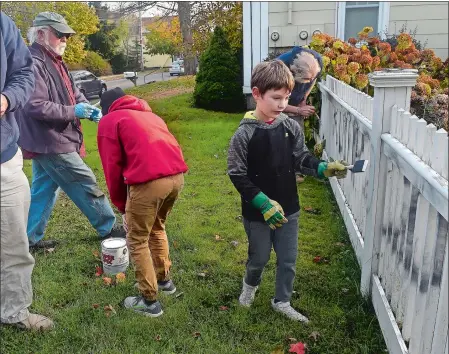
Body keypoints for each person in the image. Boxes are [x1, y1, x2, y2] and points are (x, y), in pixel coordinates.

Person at [227, 60, 348, 322]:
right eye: (276, 98)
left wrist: (323, 168)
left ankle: (282, 300)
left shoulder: (291, 126)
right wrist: (263, 203)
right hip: (258, 210)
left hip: (288, 207)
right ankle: (250, 287)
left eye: (286, 98)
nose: (283, 104)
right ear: (257, 94)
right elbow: (236, 174)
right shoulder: (244, 134)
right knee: (258, 258)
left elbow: (300, 159)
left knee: (288, 259)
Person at [15, 12, 125, 250]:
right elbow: (35, 106)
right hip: (49, 139)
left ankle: (28, 239)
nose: (65, 39)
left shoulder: (55, 60)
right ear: (42, 34)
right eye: (60, 34)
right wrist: (74, 111)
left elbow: (74, 92)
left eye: (67, 35)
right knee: (83, 180)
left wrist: (86, 107)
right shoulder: (33, 62)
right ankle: (108, 227)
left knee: (45, 189)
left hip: (51, 138)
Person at [97, 88, 188, 317]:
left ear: (106, 107)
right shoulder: (149, 114)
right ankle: (165, 281)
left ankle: (149, 301)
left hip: (149, 182)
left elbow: (112, 167)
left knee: (137, 239)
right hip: (176, 178)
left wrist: (122, 207)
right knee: (157, 228)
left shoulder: (110, 120)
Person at [0, 11, 54, 331]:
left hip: (4, 159)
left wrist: (6, 99)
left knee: (14, 247)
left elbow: (23, 74)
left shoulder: (2, 23)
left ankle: (14, 313)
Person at [277, 46, 323, 183]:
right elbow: (275, 103)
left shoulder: (317, 61)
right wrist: (297, 110)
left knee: (297, 136)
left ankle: (297, 171)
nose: (309, 81)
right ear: (292, 72)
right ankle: (279, 171)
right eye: (305, 79)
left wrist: (303, 100)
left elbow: (313, 80)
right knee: (280, 138)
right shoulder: (278, 68)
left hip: (295, 102)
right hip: (278, 103)